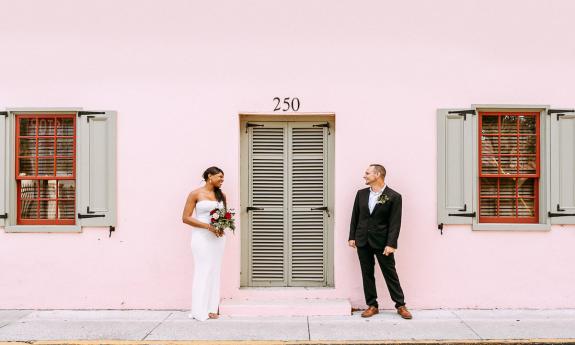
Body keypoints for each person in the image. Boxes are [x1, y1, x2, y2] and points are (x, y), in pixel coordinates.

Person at [348, 164, 412, 319]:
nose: (364, 175)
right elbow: (355, 216)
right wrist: (352, 236)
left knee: (390, 273)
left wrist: (391, 244)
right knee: (367, 273)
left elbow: (395, 223)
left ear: (377, 175)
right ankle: (372, 305)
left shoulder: (393, 196)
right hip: (362, 240)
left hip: (383, 243)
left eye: (367, 173)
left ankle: (400, 305)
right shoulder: (361, 194)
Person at [182, 166, 227, 321]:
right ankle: (198, 309)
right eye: (220, 177)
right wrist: (208, 226)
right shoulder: (195, 194)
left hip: (218, 238)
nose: (222, 180)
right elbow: (186, 218)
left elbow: (224, 216)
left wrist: (222, 227)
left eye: (223, 178)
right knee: (203, 269)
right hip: (201, 236)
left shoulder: (221, 195)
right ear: (210, 176)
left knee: (215, 270)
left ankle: (212, 308)